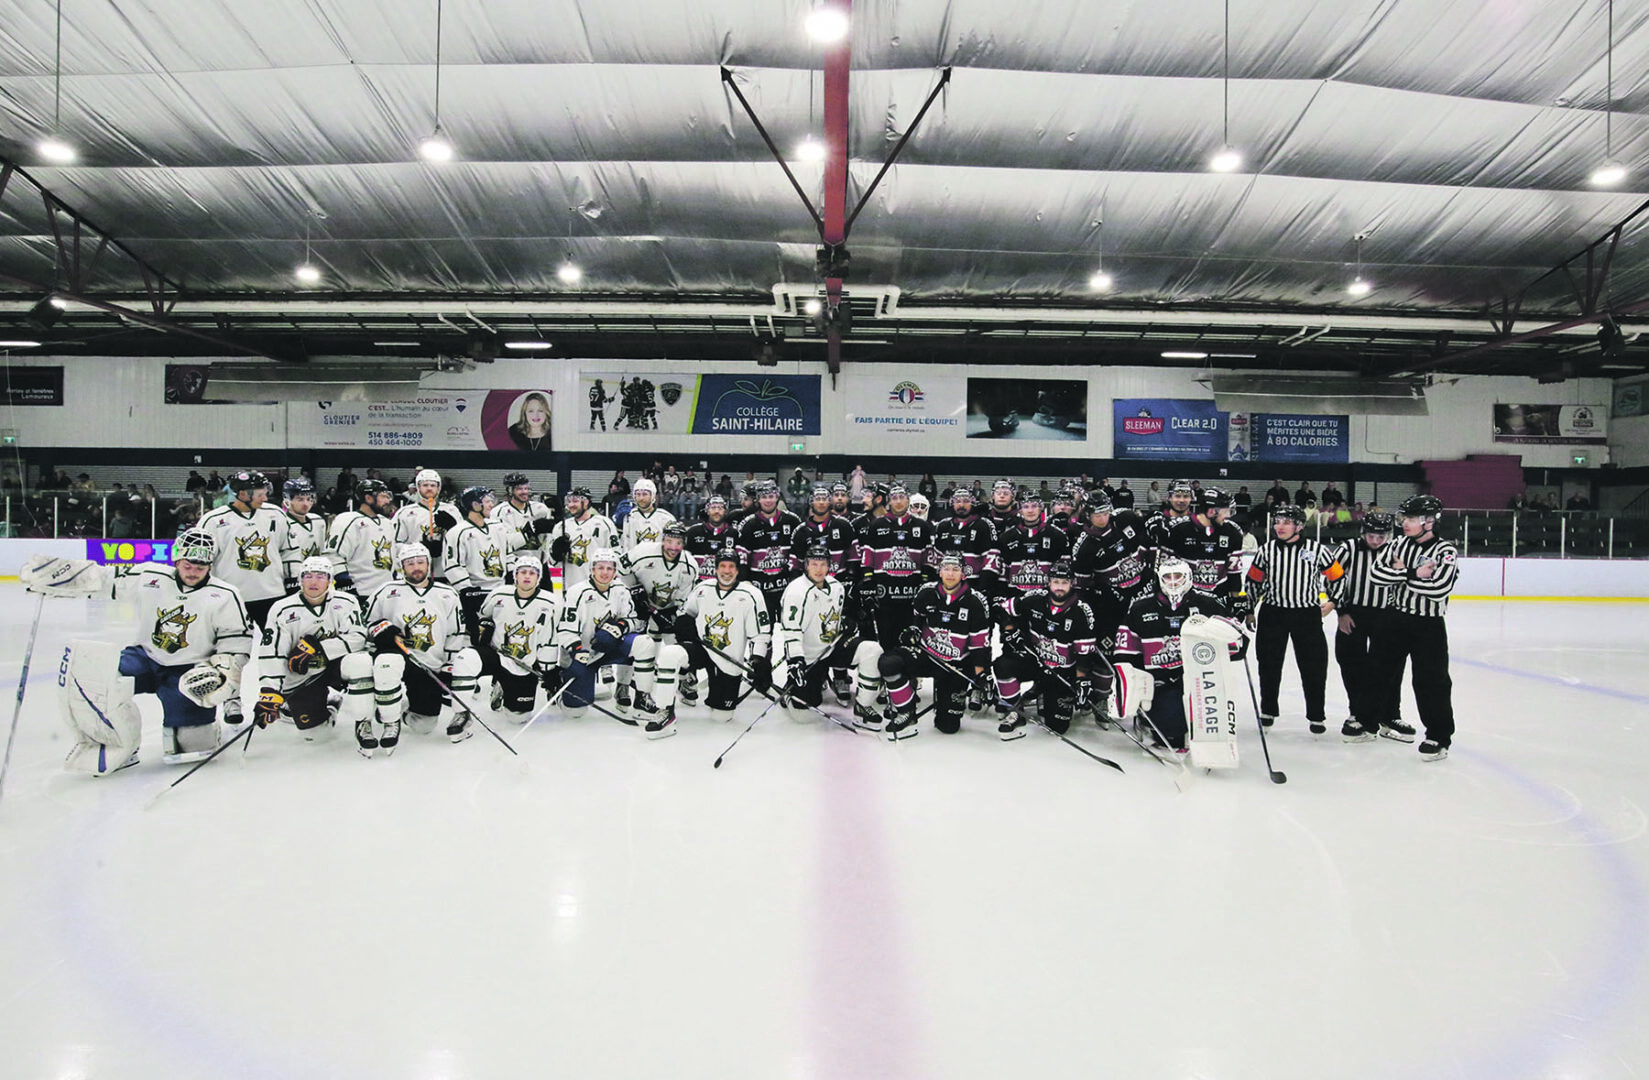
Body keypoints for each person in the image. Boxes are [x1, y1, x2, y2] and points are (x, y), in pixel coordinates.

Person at [22, 530, 253, 771]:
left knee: (190, 749)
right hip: (145, 657)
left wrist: (223, 669)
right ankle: (119, 743)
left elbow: (236, 640)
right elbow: (103, 578)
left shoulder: (226, 595)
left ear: (209, 565)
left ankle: (199, 731)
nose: (193, 572)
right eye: (188, 565)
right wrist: (56, 574)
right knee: (100, 679)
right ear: (177, 560)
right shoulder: (149, 576)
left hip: (189, 670)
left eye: (201, 567)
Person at [195, 469, 291, 727]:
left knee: (280, 648)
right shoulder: (214, 520)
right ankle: (231, 699)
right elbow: (200, 559)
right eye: (259, 493)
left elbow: (286, 549)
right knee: (230, 653)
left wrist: (291, 585)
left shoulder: (275, 514)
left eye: (265, 492)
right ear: (242, 493)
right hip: (230, 599)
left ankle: (286, 695)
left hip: (272, 595)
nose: (265, 496)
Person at [1368, 495, 1459, 761]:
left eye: (1410, 519)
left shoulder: (1445, 551)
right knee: (1379, 672)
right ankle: (1374, 720)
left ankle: (1438, 737)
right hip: (1394, 619)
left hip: (1427, 625)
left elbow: (1438, 589)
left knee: (1431, 681)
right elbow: (1376, 575)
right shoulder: (1397, 544)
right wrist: (1411, 573)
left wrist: (1398, 574)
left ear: (1429, 521)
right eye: (1404, 518)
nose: (1404, 523)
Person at [1238, 504, 1344, 734]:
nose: (1279, 526)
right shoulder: (1266, 551)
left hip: (1306, 615)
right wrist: (1249, 609)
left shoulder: (1317, 550)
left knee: (1314, 666)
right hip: (1273, 613)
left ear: (1298, 525)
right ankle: (1268, 709)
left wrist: (1333, 601)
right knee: (1268, 664)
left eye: (1286, 522)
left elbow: (1338, 576)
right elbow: (1253, 582)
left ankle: (1316, 714)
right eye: (1277, 522)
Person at [1113, 557, 1235, 751]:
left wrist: (1234, 639)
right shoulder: (1141, 608)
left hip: (1201, 681)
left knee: (1207, 723)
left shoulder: (1207, 605)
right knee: (1171, 736)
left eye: (1177, 576)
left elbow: (1235, 644)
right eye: (1167, 577)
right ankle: (1147, 719)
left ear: (1187, 577)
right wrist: (1135, 686)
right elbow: (1124, 652)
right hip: (1160, 682)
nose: (1172, 582)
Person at [869, 553, 992, 739]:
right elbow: (916, 621)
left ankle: (944, 700)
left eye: (955, 569)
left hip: (956, 665)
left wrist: (981, 674)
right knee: (889, 662)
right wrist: (912, 631)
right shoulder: (926, 592)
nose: (950, 574)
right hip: (928, 655)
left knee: (948, 726)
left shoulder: (975, 601)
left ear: (964, 574)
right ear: (940, 572)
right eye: (946, 569)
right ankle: (906, 711)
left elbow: (979, 645)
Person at [647, 551, 774, 731]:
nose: (727, 571)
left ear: (738, 570)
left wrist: (758, 660)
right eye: (722, 566)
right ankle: (665, 711)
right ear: (715, 569)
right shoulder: (703, 588)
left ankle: (716, 688)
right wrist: (684, 624)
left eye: (731, 566)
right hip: (701, 648)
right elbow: (685, 613)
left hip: (727, 658)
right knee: (669, 654)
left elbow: (760, 634)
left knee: (721, 717)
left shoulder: (751, 594)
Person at [256, 556, 371, 750]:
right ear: (300, 580)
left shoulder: (346, 601)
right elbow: (272, 652)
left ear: (330, 580)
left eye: (320, 576)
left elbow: (359, 637)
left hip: (335, 666)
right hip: (303, 676)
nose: (314, 581)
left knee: (362, 663)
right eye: (308, 576)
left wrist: (320, 648)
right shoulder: (282, 609)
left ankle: (365, 720)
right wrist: (270, 691)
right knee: (316, 736)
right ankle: (329, 706)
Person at [365, 543, 474, 747]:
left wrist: (448, 666)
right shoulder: (386, 591)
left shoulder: (447, 594)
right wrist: (380, 629)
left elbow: (455, 633)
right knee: (387, 665)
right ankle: (389, 717)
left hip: (428, 665)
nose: (416, 567)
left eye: (420, 562)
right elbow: (364, 623)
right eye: (410, 563)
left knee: (424, 725)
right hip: (397, 657)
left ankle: (402, 709)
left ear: (429, 565)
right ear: (401, 566)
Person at [1327, 512, 1414, 744]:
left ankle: (1389, 716)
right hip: (1353, 613)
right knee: (1351, 662)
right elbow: (1332, 578)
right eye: (1372, 536)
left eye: (1381, 536)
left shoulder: (1398, 550)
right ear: (1363, 532)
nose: (1376, 541)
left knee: (1391, 667)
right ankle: (1358, 712)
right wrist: (1341, 611)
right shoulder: (1348, 549)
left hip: (1387, 615)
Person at [992, 559, 1102, 740]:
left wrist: (1082, 680)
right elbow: (1003, 609)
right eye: (1056, 582)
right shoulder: (1035, 598)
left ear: (1072, 583)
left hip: (1061, 671)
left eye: (1064, 582)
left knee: (1057, 726)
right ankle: (1015, 710)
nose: (1059, 587)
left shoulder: (1082, 611)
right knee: (1003, 665)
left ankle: (1044, 692)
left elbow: (1084, 653)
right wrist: (1011, 630)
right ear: (1049, 582)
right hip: (1035, 661)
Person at [553, 548, 649, 727]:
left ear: (615, 571)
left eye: (609, 568)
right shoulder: (577, 592)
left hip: (608, 646)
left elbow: (635, 621)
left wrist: (621, 626)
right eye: (600, 568)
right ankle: (565, 686)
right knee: (575, 712)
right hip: (583, 655)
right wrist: (577, 650)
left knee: (644, 643)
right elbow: (565, 630)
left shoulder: (621, 590)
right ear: (592, 570)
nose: (605, 572)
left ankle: (634, 693)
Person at [475, 553, 563, 724]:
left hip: (525, 662)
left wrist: (548, 669)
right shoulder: (498, 595)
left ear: (539, 577)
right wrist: (483, 629)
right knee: (467, 659)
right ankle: (493, 684)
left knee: (518, 717)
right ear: (515, 575)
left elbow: (549, 638)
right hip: (499, 654)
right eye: (523, 572)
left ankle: (504, 686)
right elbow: (483, 616)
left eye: (532, 573)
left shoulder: (552, 603)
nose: (527, 576)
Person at [1159, 487, 1245, 605]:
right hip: (1185, 602)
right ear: (1211, 511)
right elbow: (1164, 572)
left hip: (1219, 602)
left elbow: (1234, 575)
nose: (1228, 516)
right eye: (1225, 511)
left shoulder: (1233, 532)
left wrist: (1238, 603)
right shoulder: (1177, 530)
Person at [328, 479, 397, 596]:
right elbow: (334, 556)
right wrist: (346, 587)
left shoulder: (387, 523)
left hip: (386, 593)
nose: (387, 501)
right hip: (361, 592)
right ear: (368, 498)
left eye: (388, 496)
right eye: (383, 497)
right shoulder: (349, 521)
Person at [545, 486, 619, 591]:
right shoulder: (561, 527)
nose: (571, 505)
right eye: (569, 501)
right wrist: (556, 553)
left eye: (575, 501)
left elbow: (616, 554)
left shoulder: (604, 523)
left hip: (599, 587)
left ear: (586, 502)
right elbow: (553, 562)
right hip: (571, 587)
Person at [392, 468, 461, 577]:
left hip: (445, 572)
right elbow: (394, 545)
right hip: (416, 573)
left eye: (433, 485)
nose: (429, 488)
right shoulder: (404, 513)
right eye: (425, 485)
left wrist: (452, 529)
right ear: (418, 487)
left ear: (439, 488)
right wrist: (421, 547)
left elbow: (463, 542)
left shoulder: (452, 510)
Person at [279, 477, 329, 590]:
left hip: (317, 581)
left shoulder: (318, 521)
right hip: (289, 582)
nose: (306, 504)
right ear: (287, 500)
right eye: (300, 499)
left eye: (308, 499)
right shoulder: (281, 523)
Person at [492, 472, 553, 549]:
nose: (524, 492)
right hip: (513, 559)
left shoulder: (541, 508)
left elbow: (548, 539)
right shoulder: (499, 512)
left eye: (526, 488)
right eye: (519, 489)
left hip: (539, 558)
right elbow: (504, 543)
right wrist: (529, 530)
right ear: (510, 491)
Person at [686, 494, 738, 580]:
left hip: (724, 584)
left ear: (725, 511)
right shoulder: (693, 532)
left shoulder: (733, 534)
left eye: (720, 508)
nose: (716, 511)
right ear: (707, 510)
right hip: (698, 584)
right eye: (713, 507)